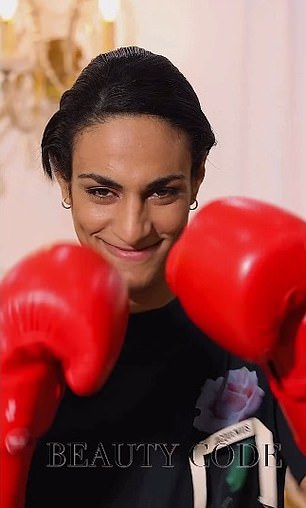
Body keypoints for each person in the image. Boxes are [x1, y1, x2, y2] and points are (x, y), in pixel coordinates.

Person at [24, 46, 306, 507]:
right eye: (102, 191)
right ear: (63, 180)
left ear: (196, 179)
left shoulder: (264, 335)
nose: (133, 229)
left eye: (162, 192)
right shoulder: (22, 352)